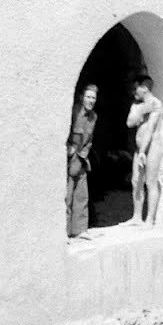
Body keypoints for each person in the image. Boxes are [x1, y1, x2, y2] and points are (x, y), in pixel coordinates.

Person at [126, 76, 163, 227]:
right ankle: (136, 217)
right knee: (136, 181)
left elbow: (150, 129)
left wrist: (143, 151)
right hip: (139, 148)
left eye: (136, 88)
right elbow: (129, 123)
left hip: (153, 147)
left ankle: (150, 219)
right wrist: (141, 110)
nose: (134, 91)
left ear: (144, 88)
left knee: (150, 182)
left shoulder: (156, 103)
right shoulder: (138, 105)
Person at [66, 83, 98, 236]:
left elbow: (89, 141)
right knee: (67, 195)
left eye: (93, 98)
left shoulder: (93, 117)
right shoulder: (74, 111)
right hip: (69, 158)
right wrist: (69, 152)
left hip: (82, 159)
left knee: (82, 195)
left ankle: (79, 230)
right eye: (88, 97)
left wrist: (82, 156)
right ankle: (64, 231)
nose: (91, 100)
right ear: (81, 97)